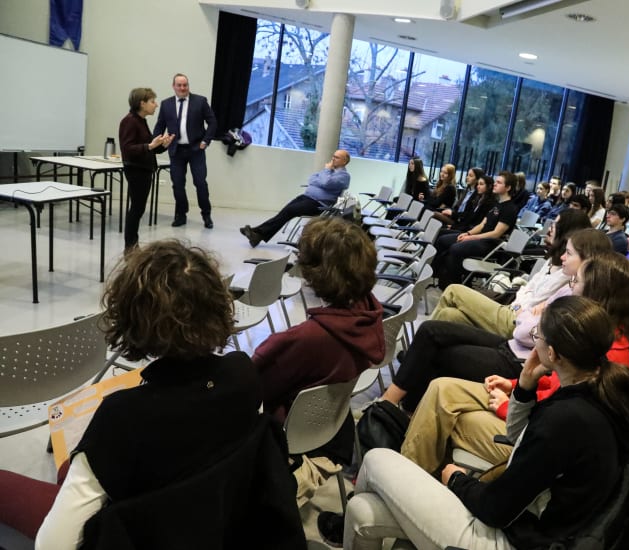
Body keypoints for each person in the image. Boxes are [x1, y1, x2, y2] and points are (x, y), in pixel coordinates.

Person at [28, 240, 303, 548]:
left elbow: (52, 544)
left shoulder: (122, 416)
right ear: (217, 303)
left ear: (130, 317)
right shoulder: (243, 373)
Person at [344, 296, 629, 550]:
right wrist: (525, 386)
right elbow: (520, 441)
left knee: (375, 459)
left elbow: (495, 510)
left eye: (537, 337)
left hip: (514, 539)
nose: (534, 342)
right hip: (541, 526)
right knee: (361, 512)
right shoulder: (603, 391)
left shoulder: (567, 419)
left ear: (552, 354)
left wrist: (456, 480)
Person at [401, 253, 629, 475]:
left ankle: (406, 476)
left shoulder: (606, 352)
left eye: (577, 281)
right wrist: (513, 385)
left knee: (446, 409)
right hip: (528, 408)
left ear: (596, 295)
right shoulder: (597, 336)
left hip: (532, 441)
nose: (571, 285)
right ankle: (416, 470)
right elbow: (554, 387)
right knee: (441, 387)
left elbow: (556, 417)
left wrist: (509, 404)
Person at [384, 228, 613, 410]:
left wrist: (532, 315)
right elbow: (528, 310)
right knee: (437, 325)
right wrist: (532, 315)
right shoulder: (570, 285)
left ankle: (393, 404)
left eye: (569, 253)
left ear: (588, 260)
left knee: (446, 313)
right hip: (513, 341)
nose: (562, 256)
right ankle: (398, 403)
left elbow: (523, 331)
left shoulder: (579, 300)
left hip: (518, 359)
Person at [252, 217, 384, 505]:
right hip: (334, 426)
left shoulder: (306, 340)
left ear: (315, 271)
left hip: (291, 435)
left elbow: (253, 390)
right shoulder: (369, 315)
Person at [430, 208, 592, 336]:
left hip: (517, 321)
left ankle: (417, 350)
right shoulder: (553, 260)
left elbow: (536, 300)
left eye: (555, 225)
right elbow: (528, 289)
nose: (550, 229)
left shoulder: (568, 273)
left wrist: (519, 304)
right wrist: (519, 303)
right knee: (448, 315)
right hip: (513, 309)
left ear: (565, 232)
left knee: (453, 291)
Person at [239, 149, 351, 247]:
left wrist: (325, 172)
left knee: (289, 211)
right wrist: (323, 178)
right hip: (306, 197)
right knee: (284, 212)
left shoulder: (343, 176)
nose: (333, 158)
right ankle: (257, 234)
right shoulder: (329, 171)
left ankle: (257, 233)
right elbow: (312, 179)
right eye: (333, 156)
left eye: (336, 157)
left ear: (344, 161)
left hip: (318, 204)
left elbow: (326, 182)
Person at [433, 171, 519, 289]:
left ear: (508, 187)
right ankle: (440, 276)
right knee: (443, 239)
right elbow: (482, 225)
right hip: (480, 239)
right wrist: (467, 233)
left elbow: (496, 233)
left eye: (499, 182)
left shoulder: (510, 209)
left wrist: (470, 237)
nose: (495, 184)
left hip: (491, 244)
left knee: (455, 248)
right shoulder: (497, 204)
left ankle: (456, 286)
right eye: (496, 182)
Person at [152, 73, 217, 228]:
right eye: (179, 85)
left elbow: (212, 122)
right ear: (173, 86)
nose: (182, 88)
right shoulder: (166, 104)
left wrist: (205, 141)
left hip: (196, 150)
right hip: (176, 151)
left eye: (185, 85)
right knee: (178, 184)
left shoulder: (200, 101)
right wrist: (159, 142)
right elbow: (159, 127)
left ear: (188, 85)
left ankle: (206, 215)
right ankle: (181, 214)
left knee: (200, 183)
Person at [118, 88, 173, 251]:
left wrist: (163, 145)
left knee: (138, 208)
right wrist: (149, 145)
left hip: (144, 168)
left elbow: (150, 148)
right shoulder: (129, 121)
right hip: (136, 170)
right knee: (136, 209)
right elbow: (127, 149)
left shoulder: (141, 121)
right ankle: (130, 248)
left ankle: (132, 245)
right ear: (142, 103)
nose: (156, 105)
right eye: (152, 101)